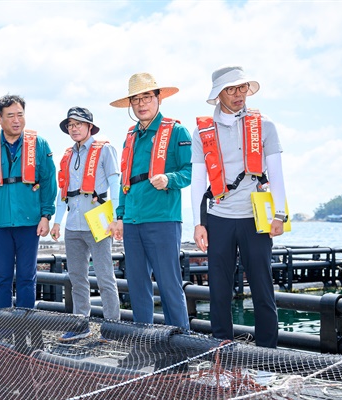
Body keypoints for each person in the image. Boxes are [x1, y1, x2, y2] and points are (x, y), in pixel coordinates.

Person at [190, 65, 287, 348]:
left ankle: (268, 354)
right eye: (230, 89)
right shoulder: (201, 131)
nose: (238, 94)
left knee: (262, 289)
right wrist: (199, 222)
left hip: (255, 218)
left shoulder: (264, 125)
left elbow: (277, 171)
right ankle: (221, 350)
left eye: (242, 88)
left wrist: (279, 214)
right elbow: (198, 179)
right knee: (219, 290)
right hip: (218, 217)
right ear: (218, 94)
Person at [109, 72, 192, 330]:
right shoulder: (130, 137)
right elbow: (125, 180)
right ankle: (144, 342)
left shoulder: (177, 130)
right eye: (136, 99)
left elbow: (191, 171)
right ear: (131, 105)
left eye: (147, 97)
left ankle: (182, 345)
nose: (142, 103)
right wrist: (120, 216)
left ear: (158, 99)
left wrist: (169, 178)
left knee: (169, 283)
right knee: (136, 284)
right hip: (132, 219)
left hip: (163, 218)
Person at [0, 94, 57, 309]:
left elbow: (49, 182)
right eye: (10, 116)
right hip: (0, 222)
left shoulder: (39, 144)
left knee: (27, 277)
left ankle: (27, 331)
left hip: (30, 222)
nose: (17, 120)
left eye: (20, 115)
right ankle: (3, 334)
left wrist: (46, 215)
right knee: (2, 277)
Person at [50, 106, 121, 341]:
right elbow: (64, 192)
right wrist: (57, 222)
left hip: (99, 221)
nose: (74, 128)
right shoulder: (68, 155)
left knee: (105, 276)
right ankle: (81, 325)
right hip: (73, 224)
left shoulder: (105, 150)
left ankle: (112, 328)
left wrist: (116, 217)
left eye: (78, 124)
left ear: (90, 126)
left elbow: (115, 184)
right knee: (76, 277)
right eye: (70, 125)